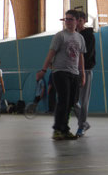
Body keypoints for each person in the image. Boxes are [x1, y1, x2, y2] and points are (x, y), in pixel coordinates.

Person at [36, 10, 86, 140]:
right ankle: (58, 130)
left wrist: (83, 74)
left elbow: (81, 57)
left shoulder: (80, 38)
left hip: (74, 73)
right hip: (60, 71)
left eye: (71, 19)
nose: (68, 22)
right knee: (64, 101)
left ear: (76, 21)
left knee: (71, 102)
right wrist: (43, 70)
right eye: (66, 19)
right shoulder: (60, 36)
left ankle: (64, 129)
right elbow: (51, 53)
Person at [74, 11, 96, 137]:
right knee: (73, 100)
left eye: (79, 21)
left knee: (84, 101)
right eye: (75, 20)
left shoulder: (89, 36)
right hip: (72, 71)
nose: (77, 23)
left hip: (85, 71)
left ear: (84, 21)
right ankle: (84, 123)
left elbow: (88, 55)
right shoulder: (72, 35)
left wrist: (81, 68)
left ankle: (81, 127)